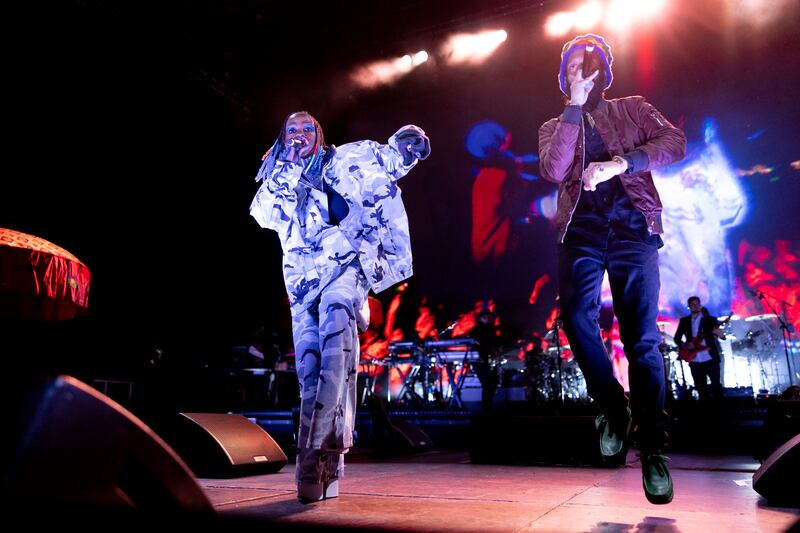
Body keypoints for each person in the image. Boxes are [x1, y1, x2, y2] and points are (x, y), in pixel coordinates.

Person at [250, 111, 430, 502]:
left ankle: (311, 462)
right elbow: (263, 216)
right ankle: (330, 460)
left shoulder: (348, 158)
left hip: (346, 266)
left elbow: (388, 159)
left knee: (334, 355)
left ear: (319, 133)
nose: (299, 134)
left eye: (306, 128)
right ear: (283, 140)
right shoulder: (277, 176)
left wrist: (408, 141)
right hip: (302, 281)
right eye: (291, 130)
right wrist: (289, 173)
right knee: (312, 373)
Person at [538, 34, 686, 504]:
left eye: (589, 66)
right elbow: (553, 168)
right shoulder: (553, 123)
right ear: (564, 77)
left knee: (641, 337)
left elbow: (674, 142)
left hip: (633, 229)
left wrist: (622, 163)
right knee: (577, 319)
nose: (581, 74)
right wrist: (573, 110)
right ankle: (613, 408)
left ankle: (652, 449)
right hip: (579, 231)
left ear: (604, 71)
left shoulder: (634, 108)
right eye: (572, 69)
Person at [673, 298, 725, 401]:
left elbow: (721, 336)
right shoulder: (684, 321)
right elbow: (677, 338)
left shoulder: (710, 319)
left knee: (716, 387)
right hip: (695, 359)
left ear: (700, 305)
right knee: (701, 389)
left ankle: (720, 413)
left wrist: (721, 335)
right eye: (692, 304)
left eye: (697, 304)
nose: (695, 306)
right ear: (689, 306)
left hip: (710, 358)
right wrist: (686, 345)